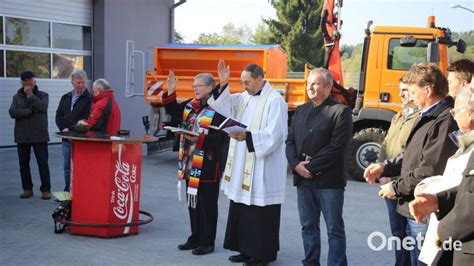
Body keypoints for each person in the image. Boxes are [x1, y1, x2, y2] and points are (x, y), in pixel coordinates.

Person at [364, 63, 459, 266]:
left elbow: (429, 170)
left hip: (424, 209)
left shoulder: (444, 120)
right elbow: (411, 155)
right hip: (412, 206)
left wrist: (395, 187)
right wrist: (385, 167)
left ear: (428, 89)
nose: (412, 97)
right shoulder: (427, 115)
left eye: (414, 91)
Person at [209, 60, 288, 266]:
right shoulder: (245, 97)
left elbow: (276, 134)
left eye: (248, 82)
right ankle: (245, 249)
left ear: (260, 79)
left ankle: (262, 255)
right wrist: (224, 83)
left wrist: (248, 137)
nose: (244, 86)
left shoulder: (274, 100)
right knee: (242, 207)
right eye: (242, 82)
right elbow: (222, 106)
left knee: (260, 212)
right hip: (243, 165)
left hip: (263, 167)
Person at [286, 68, 352, 266]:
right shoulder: (301, 110)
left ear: (329, 87)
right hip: (303, 180)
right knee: (308, 226)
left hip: (328, 182)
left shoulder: (340, 112)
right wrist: (296, 165)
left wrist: (310, 167)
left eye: (315, 83)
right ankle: (311, 262)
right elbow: (290, 142)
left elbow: (337, 147)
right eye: (308, 84)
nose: (310, 87)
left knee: (334, 229)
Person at [161, 71, 229, 256]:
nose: (195, 89)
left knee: (207, 205)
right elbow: (173, 112)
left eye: (199, 85)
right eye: (193, 86)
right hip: (190, 163)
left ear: (210, 87)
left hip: (207, 164)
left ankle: (208, 242)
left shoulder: (218, 109)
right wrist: (171, 91)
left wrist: (198, 138)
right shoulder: (190, 105)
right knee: (193, 202)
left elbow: (221, 139)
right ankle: (195, 237)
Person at [409, 85, 474, 265]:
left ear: (470, 113)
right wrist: (439, 200)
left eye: (457, 111)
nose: (454, 115)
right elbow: (468, 188)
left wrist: (443, 231)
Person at [371, 79, 419, 266]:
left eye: (406, 90)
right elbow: (385, 144)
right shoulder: (398, 116)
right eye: (400, 90)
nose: (401, 94)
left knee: (411, 234)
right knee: (397, 232)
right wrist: (382, 170)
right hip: (389, 181)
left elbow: (411, 152)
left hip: (406, 182)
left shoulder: (420, 119)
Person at [8, 71, 51, 200]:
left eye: (30, 80)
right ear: (21, 83)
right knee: (23, 164)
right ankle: (27, 189)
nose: (27, 83)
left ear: (34, 81)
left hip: (39, 135)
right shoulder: (17, 97)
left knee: (42, 163)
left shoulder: (43, 95)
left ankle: (46, 190)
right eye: (25, 81)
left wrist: (30, 95)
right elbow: (12, 112)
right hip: (22, 136)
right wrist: (28, 112)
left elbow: (42, 107)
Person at [55, 69, 92, 192]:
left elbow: (86, 118)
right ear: (72, 82)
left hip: (80, 138)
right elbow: (59, 115)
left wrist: (71, 129)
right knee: (67, 167)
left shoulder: (89, 99)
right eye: (78, 82)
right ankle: (67, 191)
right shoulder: (65, 97)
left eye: (83, 82)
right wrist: (63, 128)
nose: (81, 85)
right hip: (66, 138)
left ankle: (79, 192)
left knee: (80, 167)